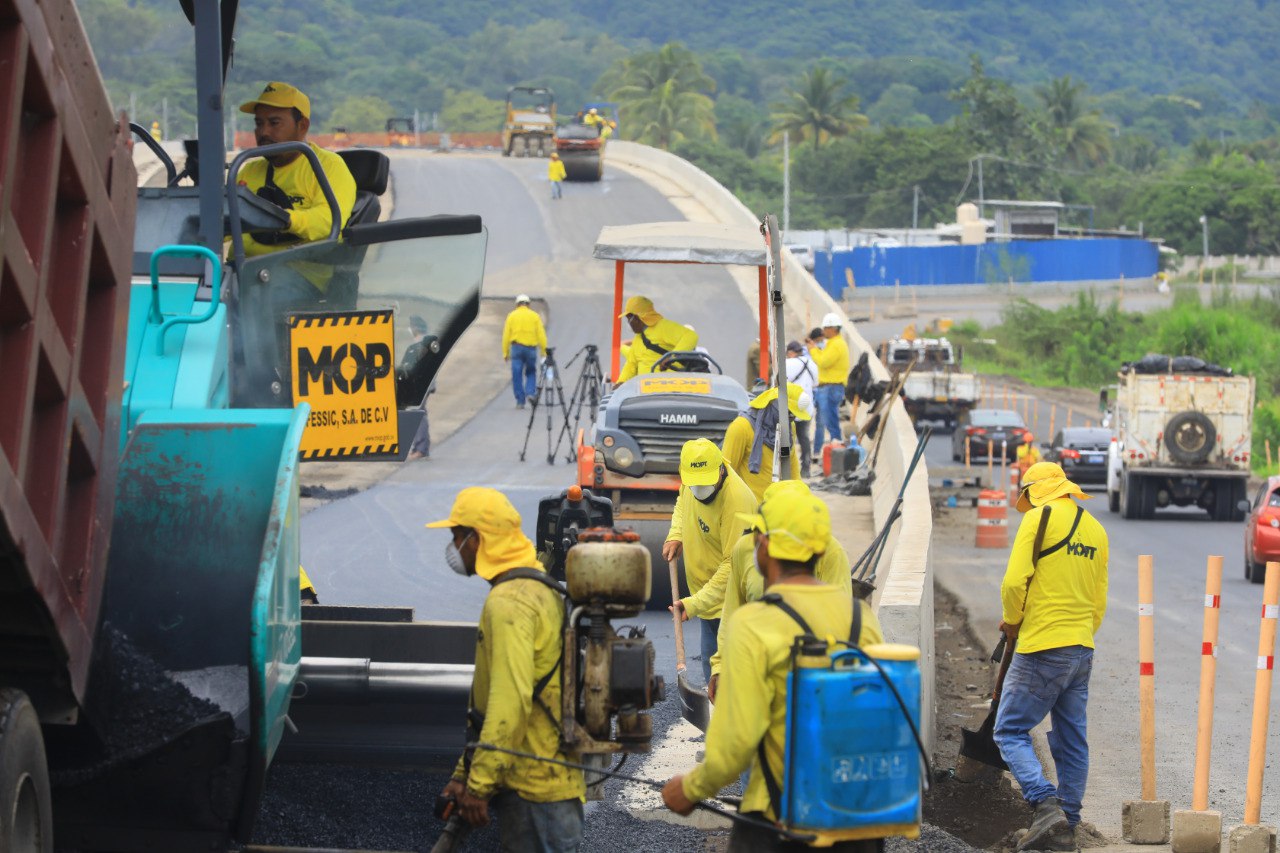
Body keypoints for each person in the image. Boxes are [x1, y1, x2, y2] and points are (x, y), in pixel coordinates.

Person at [660, 489, 880, 851]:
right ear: (821, 551)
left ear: (764, 547)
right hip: (853, 819)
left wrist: (690, 789)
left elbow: (736, 741)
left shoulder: (755, 625)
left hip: (780, 821)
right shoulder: (862, 621)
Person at [428, 488, 585, 852]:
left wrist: (479, 787)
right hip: (541, 784)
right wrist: (462, 776)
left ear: (477, 539)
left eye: (457, 536)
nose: (454, 547)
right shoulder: (535, 587)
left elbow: (508, 703)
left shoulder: (510, 602)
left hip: (537, 792)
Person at [994, 462, 1108, 852]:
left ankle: (1045, 805)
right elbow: (1098, 602)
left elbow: (1013, 582)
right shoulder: (1096, 529)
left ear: (1034, 492)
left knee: (1008, 730)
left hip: (1042, 645)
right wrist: (1079, 637)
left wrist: (1012, 622)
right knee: (1071, 738)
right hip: (1081, 647)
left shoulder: (1037, 519)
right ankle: (1068, 822)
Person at [706, 480, 880, 702]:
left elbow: (839, 624)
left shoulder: (833, 553)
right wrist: (720, 666)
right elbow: (731, 610)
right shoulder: (744, 551)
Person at [663, 439, 757, 684]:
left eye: (705, 484)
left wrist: (694, 604)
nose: (698, 489)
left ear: (719, 471)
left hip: (732, 605)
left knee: (731, 676)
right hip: (707, 598)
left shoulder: (736, 501)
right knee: (710, 668)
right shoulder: (691, 479)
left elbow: (733, 566)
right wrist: (676, 534)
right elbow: (682, 505)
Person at [235, 82, 356, 261]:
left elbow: (328, 222)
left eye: (274, 123)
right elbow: (224, 223)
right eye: (259, 124)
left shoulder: (328, 166)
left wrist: (282, 218)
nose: (263, 132)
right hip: (240, 271)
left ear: (302, 126)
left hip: (300, 275)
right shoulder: (248, 170)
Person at [721, 385, 807, 502]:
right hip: (750, 509)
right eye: (789, 414)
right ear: (776, 405)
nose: (791, 419)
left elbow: (793, 469)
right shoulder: (742, 427)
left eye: (793, 416)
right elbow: (726, 473)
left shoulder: (788, 427)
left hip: (777, 508)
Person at [616, 295, 699, 383]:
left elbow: (691, 336)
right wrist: (620, 383)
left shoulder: (663, 327)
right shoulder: (638, 338)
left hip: (668, 386)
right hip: (645, 391)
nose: (628, 323)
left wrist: (671, 357)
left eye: (628, 318)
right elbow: (630, 365)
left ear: (636, 318)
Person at [807, 313, 850, 453]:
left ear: (833, 328)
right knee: (827, 419)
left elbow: (823, 362)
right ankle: (827, 449)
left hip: (831, 387)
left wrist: (813, 350)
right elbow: (824, 359)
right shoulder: (833, 343)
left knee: (830, 420)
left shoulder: (836, 344)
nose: (824, 331)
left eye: (826, 328)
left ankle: (837, 448)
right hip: (828, 387)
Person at [503, 295, 548, 409]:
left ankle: (520, 401)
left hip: (516, 348)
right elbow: (541, 335)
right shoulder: (534, 316)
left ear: (517, 304)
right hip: (530, 349)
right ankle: (530, 393)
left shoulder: (511, 316)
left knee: (516, 374)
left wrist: (506, 353)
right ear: (528, 304)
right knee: (531, 372)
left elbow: (506, 336)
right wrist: (544, 351)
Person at [401, 315, 434, 461]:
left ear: (415, 328)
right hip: (424, 383)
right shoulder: (426, 342)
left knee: (417, 413)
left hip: (420, 384)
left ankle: (421, 448)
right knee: (420, 412)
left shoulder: (419, 345)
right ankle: (419, 447)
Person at [785, 341, 818, 477]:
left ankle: (790, 469)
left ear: (791, 352)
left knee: (788, 439)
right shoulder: (812, 364)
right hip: (806, 406)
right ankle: (806, 468)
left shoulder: (788, 363)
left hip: (790, 408)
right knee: (804, 438)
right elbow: (816, 383)